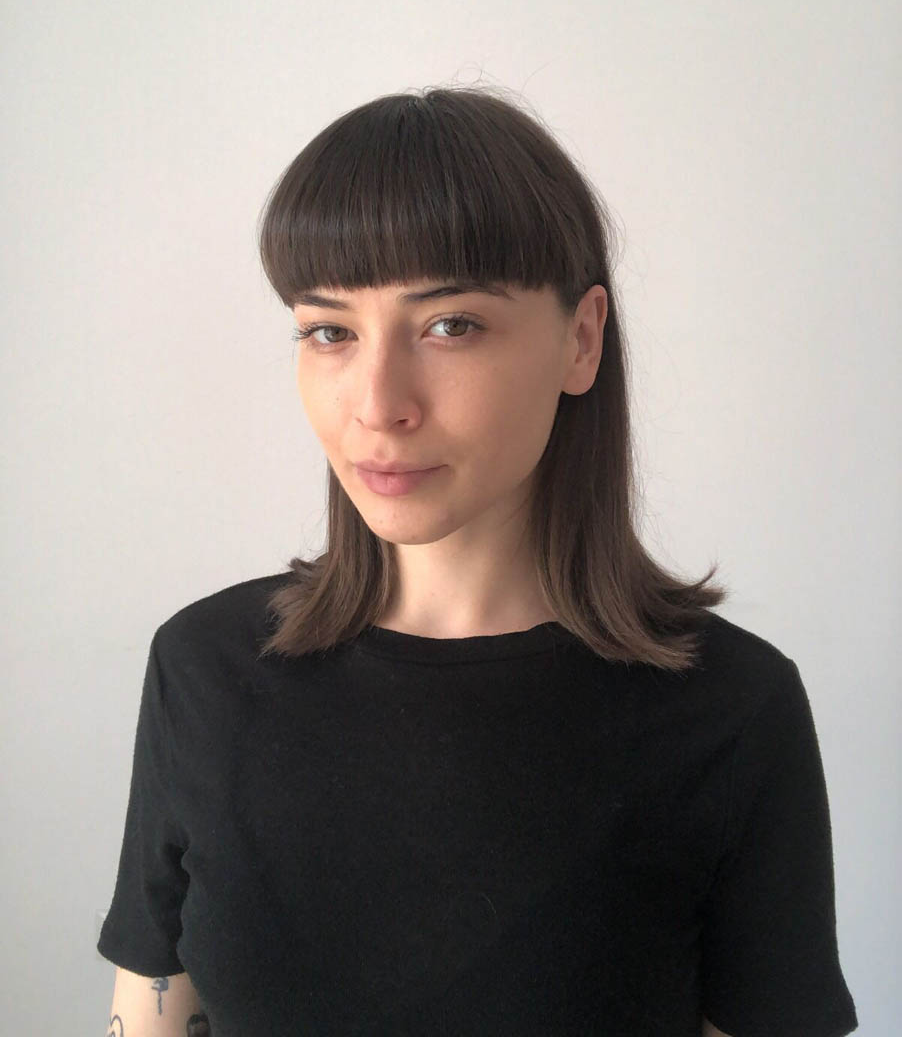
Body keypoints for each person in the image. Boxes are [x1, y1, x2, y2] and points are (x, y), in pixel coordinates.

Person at [98, 85, 858, 1036]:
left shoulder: (732, 709)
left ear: (581, 340)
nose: (378, 403)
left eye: (450, 325)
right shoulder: (203, 667)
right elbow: (150, 1001)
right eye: (330, 331)